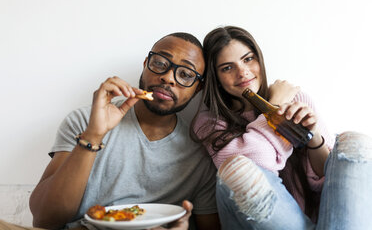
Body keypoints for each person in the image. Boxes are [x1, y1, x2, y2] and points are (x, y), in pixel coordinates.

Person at [29, 32, 221, 230]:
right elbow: (45, 220)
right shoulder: (85, 121)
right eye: (160, 63)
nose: (168, 78)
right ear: (146, 64)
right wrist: (93, 135)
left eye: (186, 75)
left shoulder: (200, 155)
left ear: (198, 89)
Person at [191, 26, 372, 229]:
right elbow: (254, 170)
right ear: (215, 77)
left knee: (354, 143)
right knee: (239, 171)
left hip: (327, 220)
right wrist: (274, 105)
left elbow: (328, 181)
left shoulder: (296, 100)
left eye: (248, 59)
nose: (243, 72)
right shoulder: (210, 123)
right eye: (227, 68)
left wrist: (313, 137)